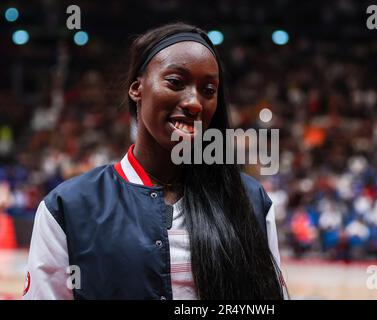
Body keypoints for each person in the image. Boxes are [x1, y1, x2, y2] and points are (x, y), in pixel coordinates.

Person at [23, 22, 287, 300]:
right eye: (175, 82)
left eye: (208, 90)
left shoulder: (251, 200)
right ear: (137, 88)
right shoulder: (68, 207)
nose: (194, 102)